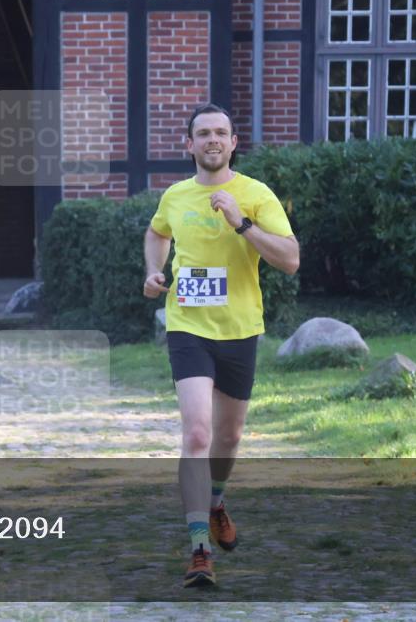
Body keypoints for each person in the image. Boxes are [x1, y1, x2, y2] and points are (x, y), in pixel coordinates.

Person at [143, 104, 299, 588]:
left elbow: (291, 260)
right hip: (188, 326)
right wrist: (153, 270)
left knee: (228, 440)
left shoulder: (255, 195)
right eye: (203, 133)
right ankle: (198, 548)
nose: (212, 140)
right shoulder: (175, 195)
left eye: (221, 133)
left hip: (239, 329)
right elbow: (156, 231)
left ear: (233, 144)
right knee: (196, 433)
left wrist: (242, 224)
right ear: (188, 144)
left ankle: (216, 503)